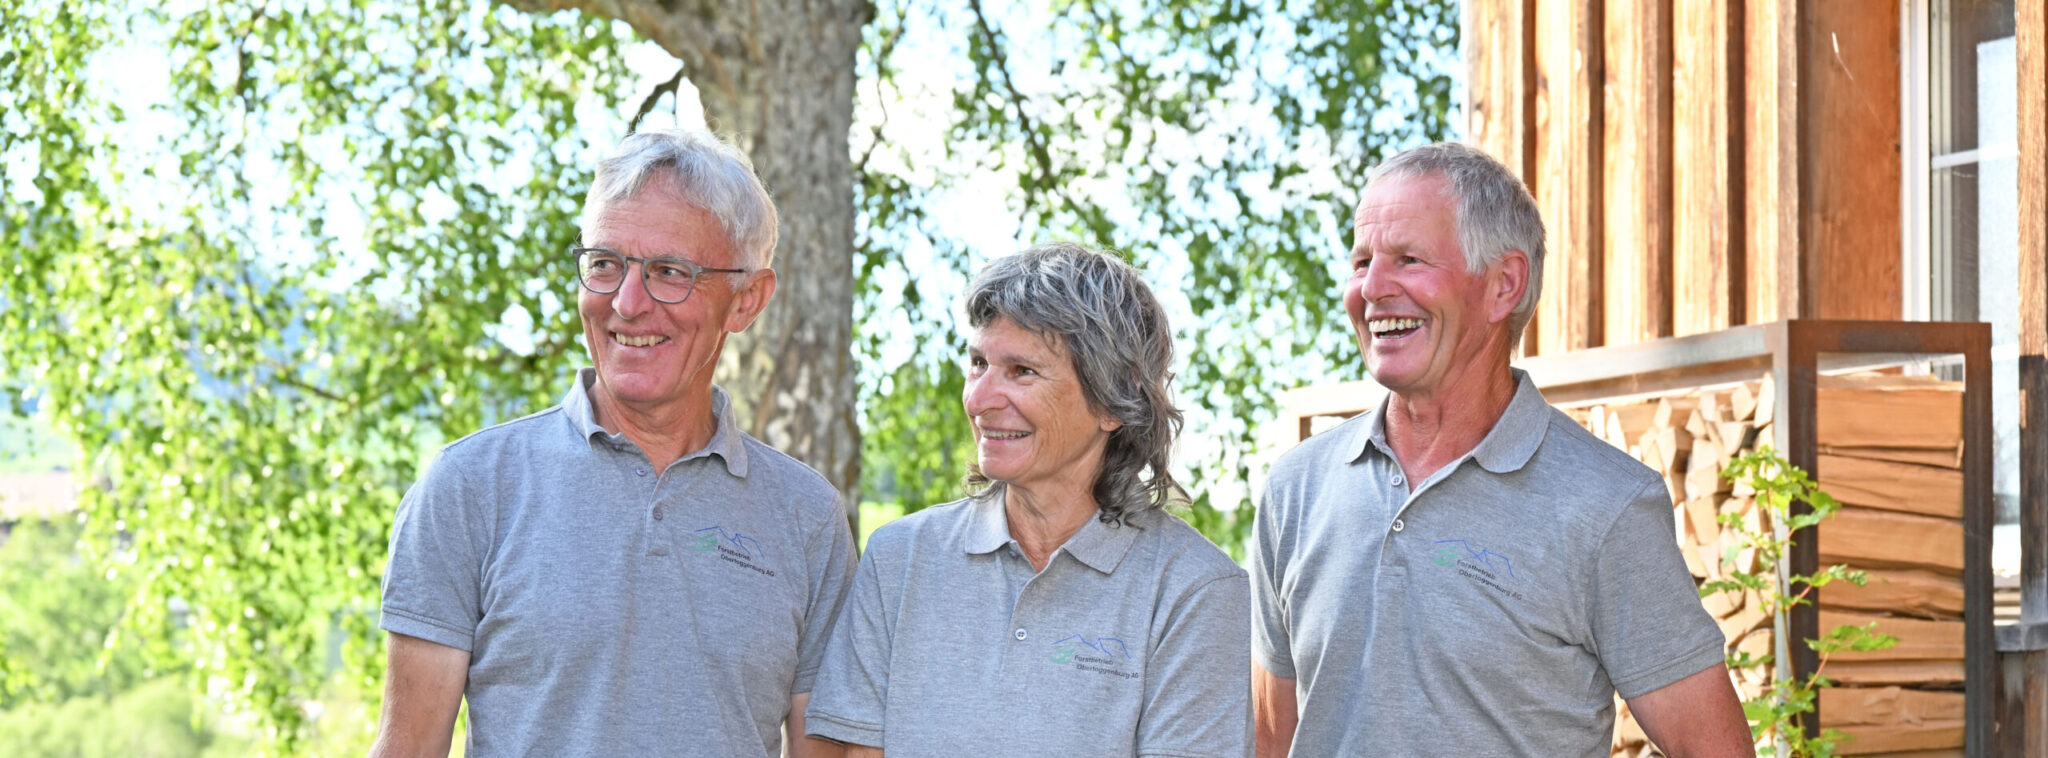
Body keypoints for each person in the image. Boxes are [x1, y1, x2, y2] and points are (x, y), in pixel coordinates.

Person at [1249, 143, 1752, 757]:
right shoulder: (1296, 487)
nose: (1371, 288)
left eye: (1408, 259)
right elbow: (1272, 736)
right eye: (1361, 262)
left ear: (1503, 285)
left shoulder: (1607, 507)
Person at [371, 129, 855, 758]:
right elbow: (407, 748)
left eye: (669, 273)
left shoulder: (806, 517)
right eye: (605, 264)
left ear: (747, 300)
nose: (627, 304)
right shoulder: (470, 487)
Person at [804, 243, 1252, 758]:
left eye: (1022, 371)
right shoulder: (899, 559)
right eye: (978, 363)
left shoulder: (1194, 590)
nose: (978, 399)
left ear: (1112, 401)